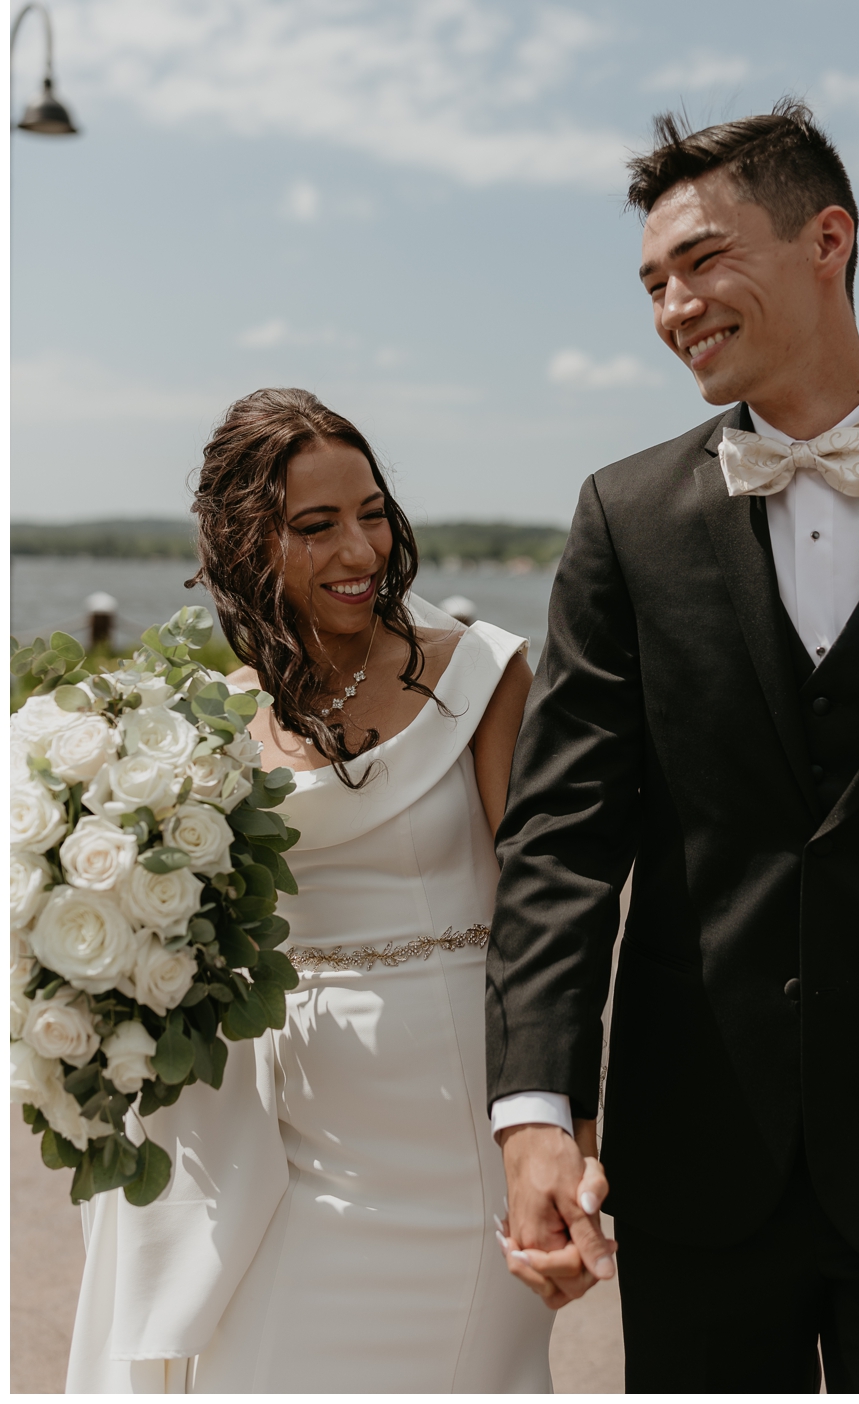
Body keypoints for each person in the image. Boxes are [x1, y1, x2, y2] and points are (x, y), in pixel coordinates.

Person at [485, 100, 859, 1392]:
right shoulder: (627, 518)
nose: (674, 305)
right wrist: (537, 1109)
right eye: (654, 280)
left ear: (829, 238)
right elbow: (564, 836)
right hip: (700, 1155)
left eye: (704, 259)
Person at [66, 387, 571, 1392]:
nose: (361, 551)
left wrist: (565, 1131)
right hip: (282, 1155)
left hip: (453, 1142)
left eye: (372, 513)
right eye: (316, 525)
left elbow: (548, 917)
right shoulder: (200, 731)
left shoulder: (478, 679)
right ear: (246, 542)